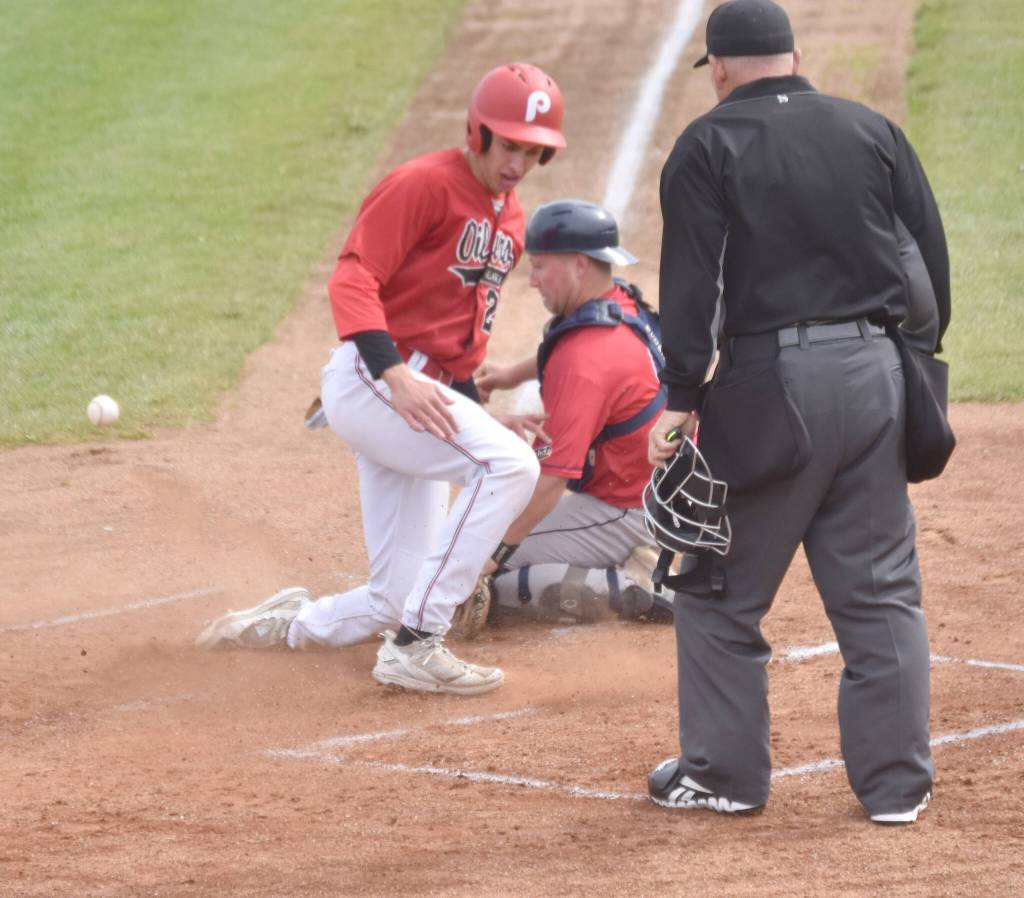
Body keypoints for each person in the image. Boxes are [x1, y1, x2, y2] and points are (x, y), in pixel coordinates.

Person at [645, 0, 950, 825]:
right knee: (881, 593)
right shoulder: (871, 130)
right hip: (879, 376)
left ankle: (724, 774)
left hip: (772, 385)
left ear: (717, 67)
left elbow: (694, 286)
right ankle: (897, 790)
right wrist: (910, 369)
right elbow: (926, 262)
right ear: (795, 55)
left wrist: (678, 398)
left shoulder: (707, 145)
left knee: (715, 587)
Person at [196, 63, 567, 696]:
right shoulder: (422, 184)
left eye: (532, 151)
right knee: (512, 468)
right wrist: (392, 374)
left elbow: (454, 332)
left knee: (397, 594)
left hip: (426, 392)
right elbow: (353, 277)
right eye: (508, 145)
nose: (518, 162)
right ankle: (419, 646)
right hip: (377, 376)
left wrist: (475, 408)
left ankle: (283, 625)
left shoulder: (510, 214)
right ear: (476, 133)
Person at [476, 199, 673, 625]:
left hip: (627, 509)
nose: (532, 281)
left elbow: (551, 482)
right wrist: (512, 374)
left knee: (476, 579)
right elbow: (576, 353)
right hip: (666, 487)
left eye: (540, 266)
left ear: (579, 264)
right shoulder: (621, 302)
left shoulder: (583, 360)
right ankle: (642, 557)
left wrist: (493, 555)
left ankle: (635, 585)